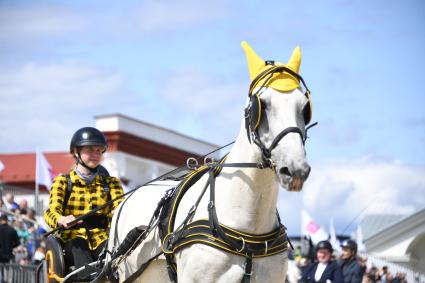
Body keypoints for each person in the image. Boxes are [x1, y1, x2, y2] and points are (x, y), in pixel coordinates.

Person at [44, 127, 124, 279]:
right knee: (83, 259)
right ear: (76, 152)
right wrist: (62, 219)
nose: (96, 155)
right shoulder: (63, 181)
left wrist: (118, 212)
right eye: (90, 150)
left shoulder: (111, 183)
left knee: (118, 261)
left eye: (99, 151)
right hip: (72, 238)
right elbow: (50, 212)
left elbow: (119, 208)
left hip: (102, 238)